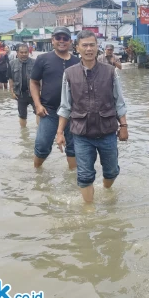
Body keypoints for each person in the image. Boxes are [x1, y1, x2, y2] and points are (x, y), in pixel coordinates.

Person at [56, 30, 128, 203]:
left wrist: (124, 126)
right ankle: (89, 211)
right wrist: (59, 133)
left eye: (92, 45)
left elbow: (119, 102)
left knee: (112, 172)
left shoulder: (110, 72)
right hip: (81, 134)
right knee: (85, 175)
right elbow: (65, 106)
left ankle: (105, 189)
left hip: (108, 131)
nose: (89, 49)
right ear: (77, 48)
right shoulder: (70, 74)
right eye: (85, 45)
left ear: (98, 47)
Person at [30, 26, 80, 169]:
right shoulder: (42, 59)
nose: (62, 41)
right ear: (52, 40)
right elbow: (33, 82)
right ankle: (37, 175)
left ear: (70, 41)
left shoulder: (77, 62)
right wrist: (38, 105)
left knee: (73, 147)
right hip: (49, 110)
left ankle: (73, 180)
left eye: (65, 38)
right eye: (58, 38)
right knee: (42, 144)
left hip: (73, 112)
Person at [8, 44, 36, 128]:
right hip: (20, 94)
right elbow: (10, 79)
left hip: (34, 94)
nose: (24, 54)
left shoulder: (35, 63)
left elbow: (40, 78)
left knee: (39, 112)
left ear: (29, 52)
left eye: (26, 52)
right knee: (22, 115)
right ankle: (24, 134)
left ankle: (39, 131)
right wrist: (12, 92)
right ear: (17, 53)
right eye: (21, 52)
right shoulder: (12, 64)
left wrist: (40, 91)